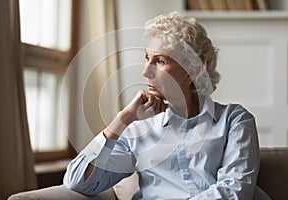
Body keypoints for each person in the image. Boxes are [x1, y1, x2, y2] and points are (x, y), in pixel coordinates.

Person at [63, 12, 270, 199]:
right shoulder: (138, 129)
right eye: (146, 58)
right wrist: (122, 120)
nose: (145, 72)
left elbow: (234, 191)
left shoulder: (234, 120)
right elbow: (78, 181)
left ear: (191, 71)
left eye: (160, 61)